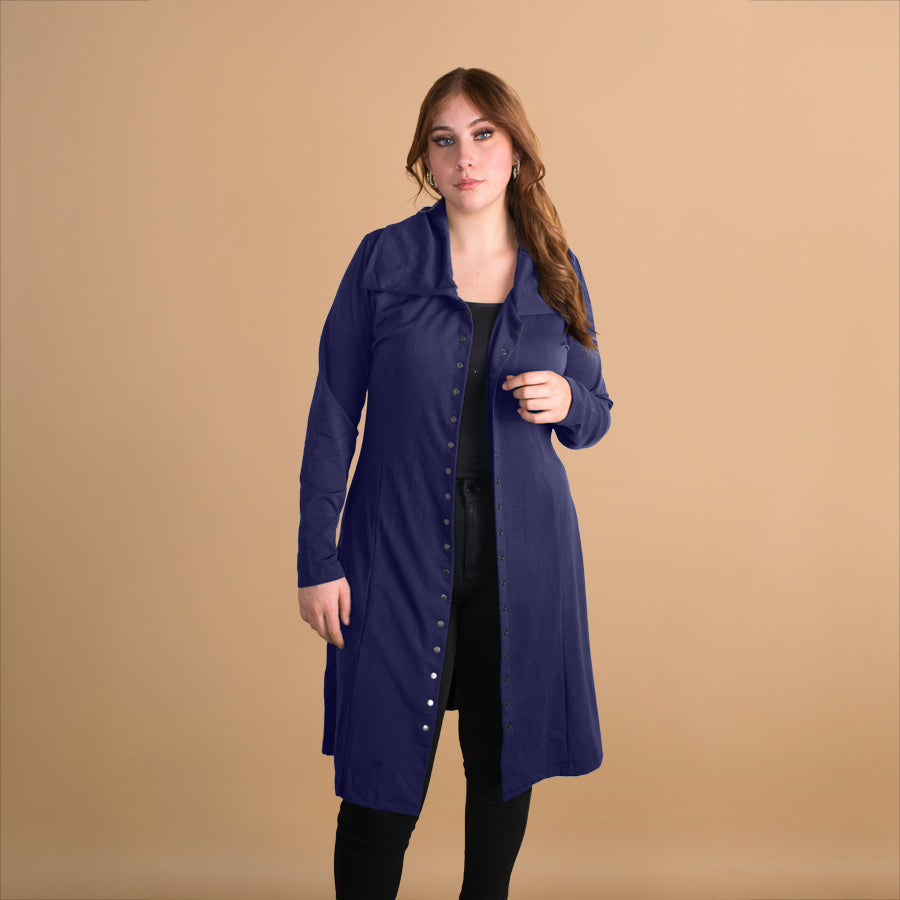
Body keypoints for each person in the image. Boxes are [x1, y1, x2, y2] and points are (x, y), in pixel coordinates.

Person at [296, 67, 614, 900]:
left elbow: (595, 414)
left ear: (515, 153)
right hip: (394, 549)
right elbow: (334, 413)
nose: (465, 157)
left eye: (483, 136)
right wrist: (317, 559)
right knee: (377, 782)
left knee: (503, 768)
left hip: (526, 556)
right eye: (445, 140)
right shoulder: (382, 259)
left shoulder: (556, 268)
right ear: (426, 160)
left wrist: (568, 398)